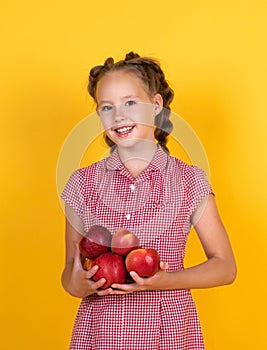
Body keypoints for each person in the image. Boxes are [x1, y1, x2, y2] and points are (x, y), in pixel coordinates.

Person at [61, 52, 237, 349]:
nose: (118, 116)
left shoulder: (189, 181)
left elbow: (225, 267)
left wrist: (166, 280)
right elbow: (69, 271)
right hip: (102, 331)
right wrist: (79, 283)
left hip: (166, 330)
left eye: (130, 103)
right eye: (107, 107)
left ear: (156, 106)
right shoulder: (82, 184)